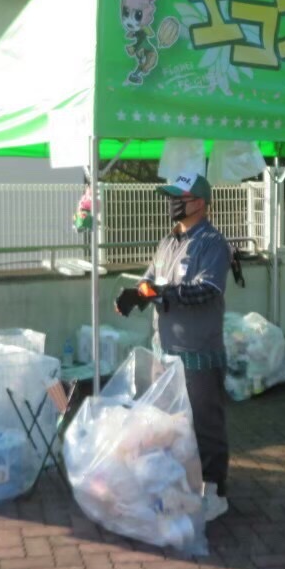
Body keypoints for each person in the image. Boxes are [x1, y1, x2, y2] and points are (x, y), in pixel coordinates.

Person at [114, 172, 231, 522]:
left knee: (205, 423)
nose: (172, 204)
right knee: (168, 425)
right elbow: (151, 279)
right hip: (163, 350)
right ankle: (178, 482)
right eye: (171, 197)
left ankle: (214, 492)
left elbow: (207, 289)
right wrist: (137, 293)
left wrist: (164, 293)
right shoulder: (168, 241)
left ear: (200, 202)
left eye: (179, 197)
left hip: (198, 351)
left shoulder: (212, 243)